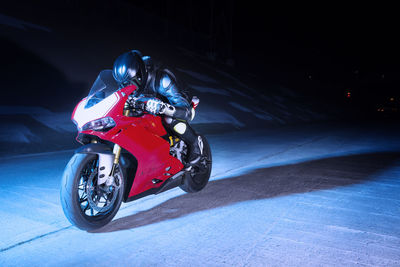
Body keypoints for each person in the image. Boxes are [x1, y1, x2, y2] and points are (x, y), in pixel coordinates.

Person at [112, 50, 203, 168]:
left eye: (132, 82)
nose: (129, 87)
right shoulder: (131, 80)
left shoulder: (162, 79)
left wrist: (163, 107)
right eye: (124, 84)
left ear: (141, 74)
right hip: (148, 105)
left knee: (169, 119)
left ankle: (194, 143)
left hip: (177, 102)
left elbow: (186, 111)